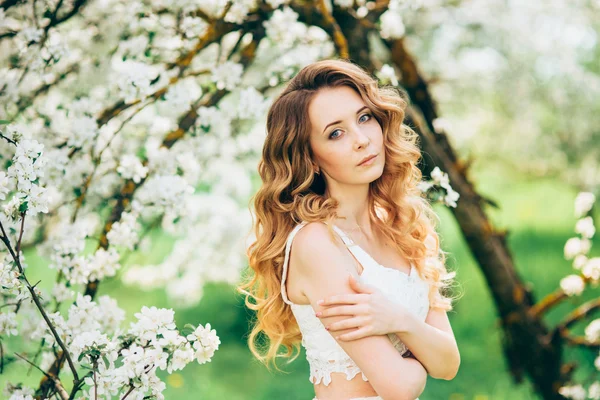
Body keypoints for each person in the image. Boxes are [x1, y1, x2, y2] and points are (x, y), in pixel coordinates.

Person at [238, 58, 460, 400]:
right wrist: (423, 354)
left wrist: (398, 320)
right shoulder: (316, 243)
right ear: (310, 157)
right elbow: (399, 386)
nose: (361, 140)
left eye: (365, 117)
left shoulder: (403, 225)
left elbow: (448, 365)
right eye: (336, 133)